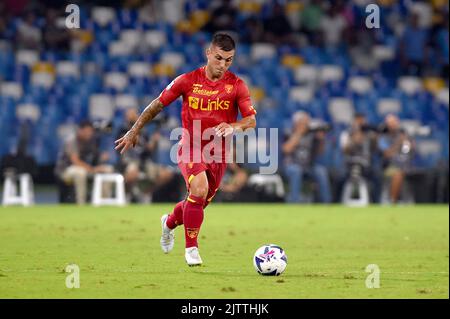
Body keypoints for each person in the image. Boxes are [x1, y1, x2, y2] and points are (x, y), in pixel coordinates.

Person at [115, 33, 257, 266]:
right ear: (208, 53)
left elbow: (250, 121)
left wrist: (233, 126)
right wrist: (134, 130)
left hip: (218, 153)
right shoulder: (187, 80)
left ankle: (169, 223)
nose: (223, 65)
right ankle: (192, 249)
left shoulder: (237, 85)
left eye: (229, 60)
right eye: (219, 58)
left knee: (197, 201)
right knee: (199, 189)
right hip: (190, 145)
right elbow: (157, 105)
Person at [116, 107, 175, 203]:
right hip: (129, 161)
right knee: (132, 172)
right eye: (131, 115)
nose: (135, 117)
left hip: (144, 161)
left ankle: (146, 193)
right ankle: (128, 194)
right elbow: (124, 148)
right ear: (126, 117)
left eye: (135, 114)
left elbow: (147, 150)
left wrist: (153, 141)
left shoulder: (143, 131)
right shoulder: (123, 129)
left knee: (166, 173)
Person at [55, 120, 114, 205]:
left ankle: (103, 202)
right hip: (65, 170)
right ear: (80, 130)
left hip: (85, 168)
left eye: (90, 131)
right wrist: (92, 169)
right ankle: (81, 204)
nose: (89, 134)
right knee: (80, 172)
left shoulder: (90, 141)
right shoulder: (71, 140)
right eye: (87, 131)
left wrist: (101, 158)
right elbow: (75, 161)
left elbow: (95, 157)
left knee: (108, 169)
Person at [282, 111, 331, 203]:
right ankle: (294, 202)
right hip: (291, 165)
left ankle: (326, 202)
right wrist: (298, 133)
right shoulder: (289, 132)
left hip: (309, 166)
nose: (306, 125)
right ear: (297, 123)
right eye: (303, 122)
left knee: (321, 171)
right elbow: (286, 149)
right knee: (296, 171)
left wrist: (321, 139)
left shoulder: (312, 135)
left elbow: (321, 152)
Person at [339, 113, 382, 203]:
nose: (361, 123)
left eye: (363, 121)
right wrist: (355, 139)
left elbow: (375, 150)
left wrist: (376, 138)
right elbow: (344, 150)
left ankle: (376, 202)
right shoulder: (346, 134)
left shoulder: (369, 134)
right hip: (350, 165)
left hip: (366, 165)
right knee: (340, 179)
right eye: (359, 121)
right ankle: (338, 201)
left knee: (377, 178)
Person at [378, 114, 415, 204]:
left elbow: (407, 151)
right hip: (389, 166)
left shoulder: (404, 136)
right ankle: (393, 201)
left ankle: (409, 200)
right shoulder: (383, 138)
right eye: (390, 123)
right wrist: (398, 143)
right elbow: (387, 154)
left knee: (404, 172)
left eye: (394, 123)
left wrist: (408, 144)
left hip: (405, 165)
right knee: (397, 174)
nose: (392, 125)